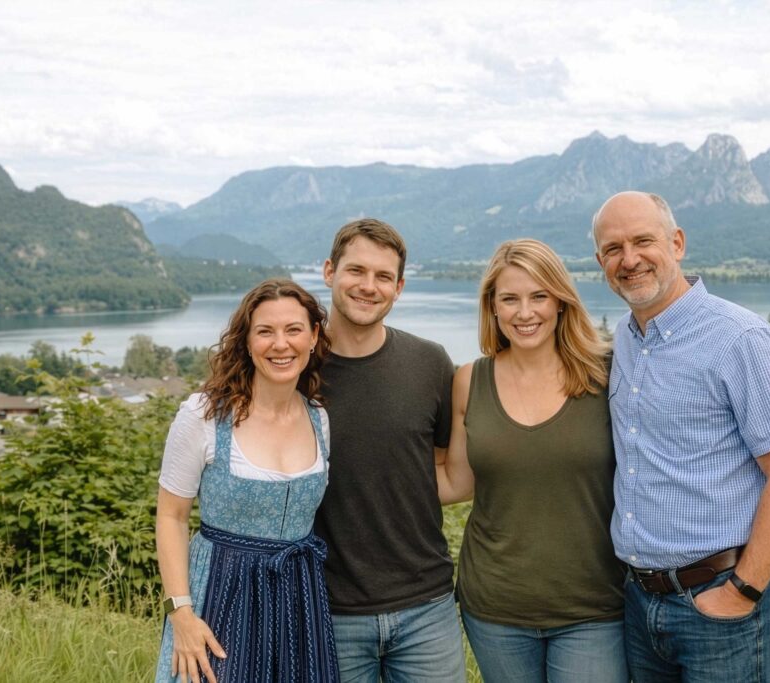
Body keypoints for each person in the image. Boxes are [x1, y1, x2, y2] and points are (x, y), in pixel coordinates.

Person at [592, 191, 770, 682]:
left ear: (676, 243)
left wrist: (743, 590)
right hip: (641, 603)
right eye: (613, 249)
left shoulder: (742, 340)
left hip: (722, 603)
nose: (628, 259)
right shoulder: (628, 339)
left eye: (643, 241)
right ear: (600, 262)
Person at [437, 238, 628, 682]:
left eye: (538, 296)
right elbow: (456, 483)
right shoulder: (470, 380)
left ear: (561, 301)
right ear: (493, 307)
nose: (525, 313)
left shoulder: (607, 373)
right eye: (510, 299)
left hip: (593, 607)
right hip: (495, 608)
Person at [154, 279, 339, 683]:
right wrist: (180, 614)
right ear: (246, 341)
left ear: (313, 337)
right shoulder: (203, 415)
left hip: (298, 601)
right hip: (218, 595)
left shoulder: (318, 418)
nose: (280, 344)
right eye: (265, 331)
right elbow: (171, 517)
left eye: (293, 330)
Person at [312, 218, 466, 682]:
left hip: (427, 607)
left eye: (383, 277)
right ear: (328, 272)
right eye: (356, 270)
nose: (368, 286)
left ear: (398, 288)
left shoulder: (430, 362)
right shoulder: (295, 367)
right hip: (329, 608)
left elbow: (438, 467)